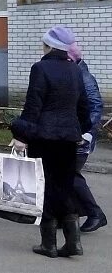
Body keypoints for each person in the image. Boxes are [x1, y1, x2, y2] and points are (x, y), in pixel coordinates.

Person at [11, 27, 92, 259]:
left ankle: (49, 245)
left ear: (48, 46)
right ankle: (73, 244)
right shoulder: (74, 70)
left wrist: (21, 135)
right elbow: (83, 106)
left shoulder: (40, 68)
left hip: (43, 139)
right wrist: (82, 131)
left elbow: (33, 106)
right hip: (68, 139)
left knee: (44, 188)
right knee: (64, 188)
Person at [67, 41, 107, 233]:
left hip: (80, 137)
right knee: (65, 176)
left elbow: (95, 107)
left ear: (71, 59)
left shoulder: (84, 78)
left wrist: (85, 133)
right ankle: (68, 216)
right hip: (72, 134)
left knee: (70, 175)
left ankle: (95, 214)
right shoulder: (75, 74)